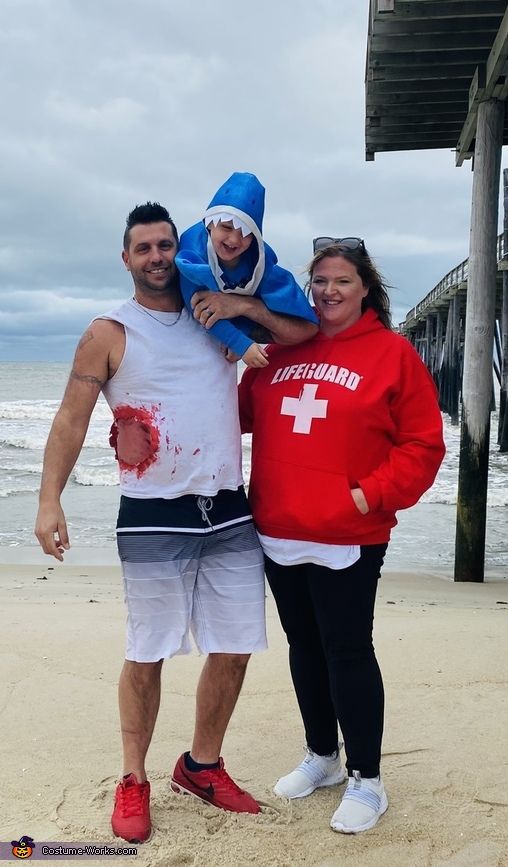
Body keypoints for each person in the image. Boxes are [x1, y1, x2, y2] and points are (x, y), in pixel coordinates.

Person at [34, 202, 319, 845]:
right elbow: (71, 419)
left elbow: (294, 332)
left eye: (166, 244)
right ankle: (132, 776)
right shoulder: (109, 331)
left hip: (227, 506)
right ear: (127, 258)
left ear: (179, 248)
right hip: (152, 514)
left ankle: (202, 765)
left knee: (235, 644)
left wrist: (244, 309)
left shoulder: (210, 313)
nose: (159, 256)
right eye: (145, 248)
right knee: (148, 650)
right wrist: (50, 500)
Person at [238, 236, 446, 834]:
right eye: (320, 281)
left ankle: (366, 778)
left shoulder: (392, 354)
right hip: (277, 526)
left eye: (342, 282)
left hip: (349, 532)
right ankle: (322, 758)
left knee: (347, 650)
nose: (329, 292)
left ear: (365, 289)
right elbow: (237, 415)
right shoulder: (280, 350)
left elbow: (422, 444)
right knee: (303, 649)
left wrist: (369, 494)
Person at [175, 171, 318, 368]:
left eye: (245, 233)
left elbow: (308, 326)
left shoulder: (261, 263)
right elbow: (197, 306)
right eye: (225, 227)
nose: (234, 240)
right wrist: (240, 343)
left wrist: (244, 313)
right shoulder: (192, 251)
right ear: (209, 225)